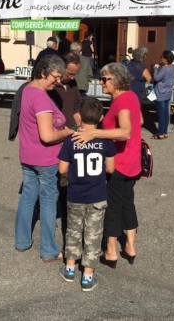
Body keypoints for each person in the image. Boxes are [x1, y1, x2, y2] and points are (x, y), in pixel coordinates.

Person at [72, 63, 142, 269]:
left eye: (105, 79)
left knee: (112, 205)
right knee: (127, 202)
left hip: (118, 162)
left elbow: (125, 131)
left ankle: (111, 250)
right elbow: (140, 120)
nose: (100, 82)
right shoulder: (132, 97)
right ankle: (130, 246)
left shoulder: (121, 102)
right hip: (133, 161)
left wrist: (94, 132)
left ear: (118, 80)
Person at [14, 55, 74, 262]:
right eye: (55, 77)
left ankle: (22, 240)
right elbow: (47, 136)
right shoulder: (40, 97)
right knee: (49, 202)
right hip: (45, 157)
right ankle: (48, 250)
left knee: (29, 196)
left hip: (28, 154)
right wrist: (66, 133)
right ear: (43, 73)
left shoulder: (28, 90)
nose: (57, 82)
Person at [58, 97, 116, 292]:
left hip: (75, 194)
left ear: (79, 117)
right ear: (100, 119)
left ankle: (69, 269)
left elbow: (62, 167)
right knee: (93, 234)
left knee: (73, 231)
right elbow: (110, 168)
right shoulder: (105, 140)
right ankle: (88, 277)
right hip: (97, 194)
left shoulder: (71, 140)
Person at [49, 52, 82, 130]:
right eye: (70, 73)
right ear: (61, 68)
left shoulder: (73, 83)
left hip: (68, 132)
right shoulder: (50, 85)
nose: (72, 78)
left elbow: (76, 108)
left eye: (75, 74)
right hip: (52, 132)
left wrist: (80, 126)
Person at [152, 50, 174, 139]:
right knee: (166, 112)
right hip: (168, 92)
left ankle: (160, 132)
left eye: (162, 57)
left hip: (160, 93)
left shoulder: (163, 68)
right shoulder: (173, 67)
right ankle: (165, 131)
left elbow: (156, 78)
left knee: (161, 113)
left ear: (165, 59)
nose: (161, 59)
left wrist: (155, 68)